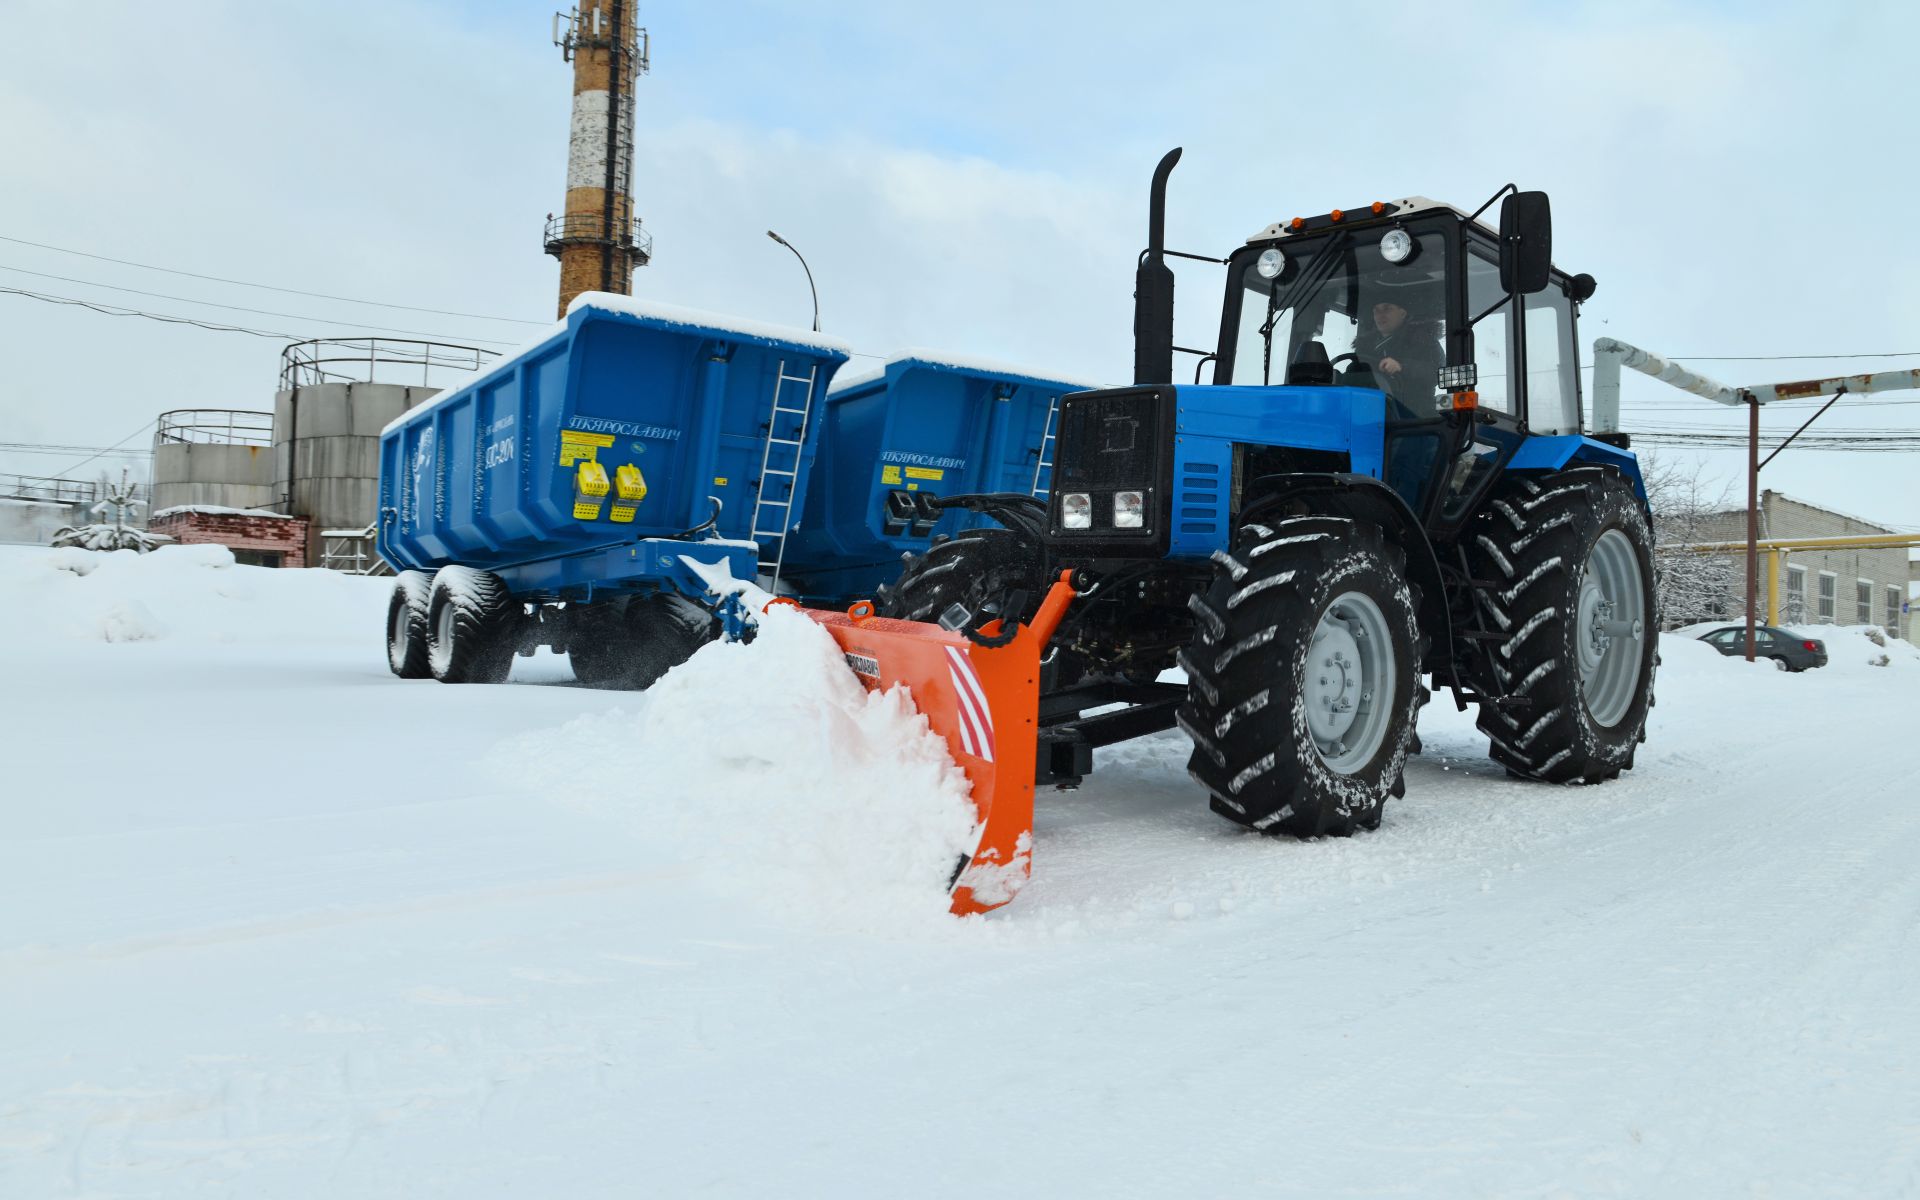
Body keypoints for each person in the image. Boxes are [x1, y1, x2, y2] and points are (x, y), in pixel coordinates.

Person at [1354, 293, 1442, 420]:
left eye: (1387, 309)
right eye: (1376, 311)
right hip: (1369, 413)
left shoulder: (1424, 341)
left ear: (1402, 313)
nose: (1380, 315)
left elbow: (1437, 373)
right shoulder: (1364, 348)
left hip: (1414, 416)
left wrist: (1402, 366)